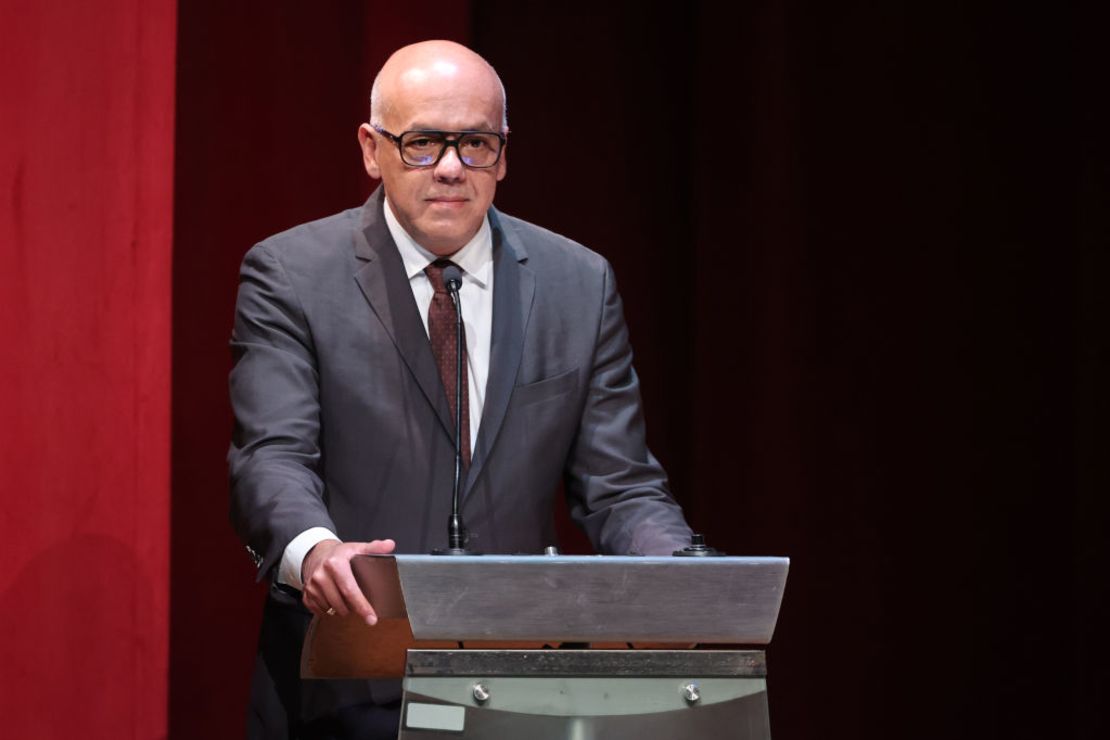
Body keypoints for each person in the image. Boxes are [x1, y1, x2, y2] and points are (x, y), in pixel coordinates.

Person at [228, 40, 693, 739]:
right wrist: (317, 551)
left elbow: (619, 486)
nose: (450, 168)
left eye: (474, 142)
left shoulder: (578, 283)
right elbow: (272, 457)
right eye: (421, 143)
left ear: (503, 155)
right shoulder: (291, 276)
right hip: (347, 687)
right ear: (371, 148)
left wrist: (685, 576)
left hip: (519, 691)